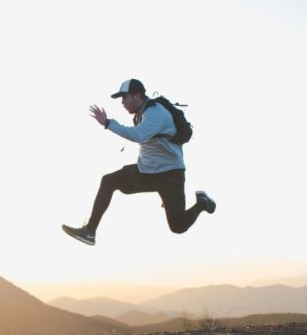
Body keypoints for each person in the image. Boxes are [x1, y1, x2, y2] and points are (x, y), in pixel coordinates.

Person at [62, 78, 216, 246]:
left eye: (124, 97)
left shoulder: (155, 112)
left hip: (170, 176)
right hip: (147, 172)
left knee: (178, 226)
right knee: (109, 181)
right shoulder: (141, 114)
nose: (122, 102)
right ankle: (90, 231)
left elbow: (138, 136)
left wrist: (108, 123)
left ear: (137, 96)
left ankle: (202, 203)